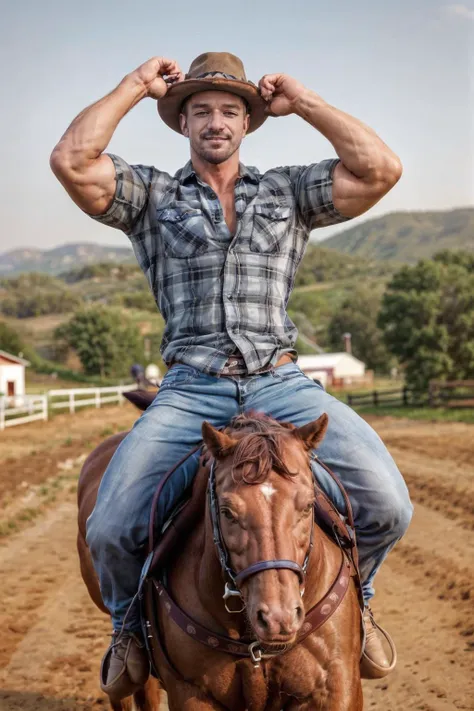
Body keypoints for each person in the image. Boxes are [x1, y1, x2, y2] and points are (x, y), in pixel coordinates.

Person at [50, 52, 412, 702]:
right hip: (191, 388)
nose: (215, 121)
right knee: (109, 526)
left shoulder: (286, 191)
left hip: (281, 381)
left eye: (229, 110)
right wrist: (136, 86)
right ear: (182, 122)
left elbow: (381, 168)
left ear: (247, 122)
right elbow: (72, 161)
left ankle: (363, 608)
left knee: (390, 500)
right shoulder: (153, 196)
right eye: (201, 110)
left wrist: (302, 100)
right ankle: (131, 631)